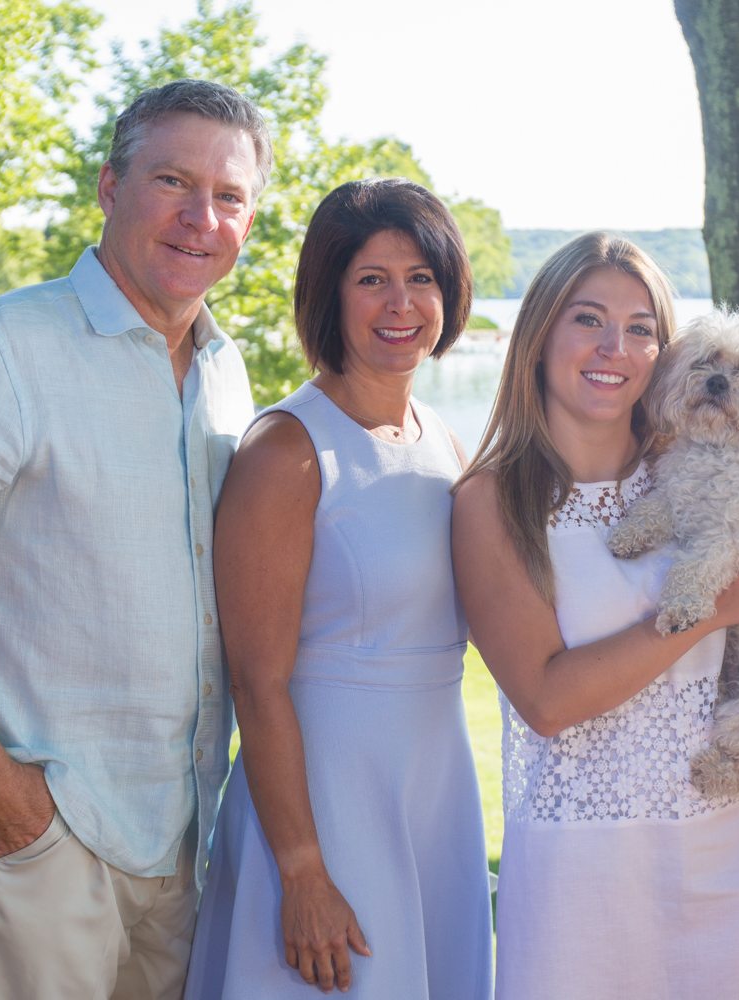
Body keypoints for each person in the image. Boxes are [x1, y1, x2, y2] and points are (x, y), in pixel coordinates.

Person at [0, 79, 267, 998]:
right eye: (172, 182)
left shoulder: (228, 374)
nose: (201, 217)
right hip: (44, 833)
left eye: (229, 196)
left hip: (189, 840)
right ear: (109, 187)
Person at [452, 232, 739, 999]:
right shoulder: (493, 499)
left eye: (641, 328)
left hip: (732, 843)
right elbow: (548, 702)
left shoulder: (698, 463)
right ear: (540, 334)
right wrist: (708, 612)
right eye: (587, 319)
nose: (613, 347)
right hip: (584, 870)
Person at [184, 178, 494, 999]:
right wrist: (301, 869)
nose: (401, 303)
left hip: (434, 789)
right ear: (329, 291)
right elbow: (258, 679)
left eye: (421, 277)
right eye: (371, 279)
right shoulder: (288, 449)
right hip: (324, 808)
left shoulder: (446, 444)